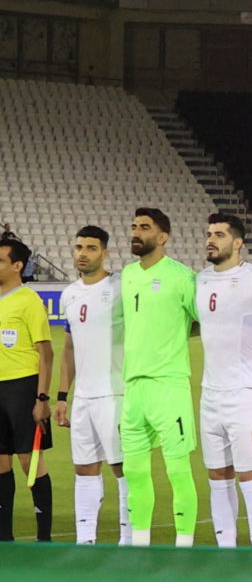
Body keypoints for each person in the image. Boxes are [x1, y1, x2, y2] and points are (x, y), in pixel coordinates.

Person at [195, 214, 252, 547]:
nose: (211, 240)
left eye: (219, 234)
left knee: (249, 474)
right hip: (210, 392)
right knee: (218, 475)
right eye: (208, 234)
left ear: (238, 242)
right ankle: (226, 547)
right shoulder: (200, 280)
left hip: (246, 391)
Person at [120, 207, 199, 546]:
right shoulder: (127, 274)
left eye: (145, 228)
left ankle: (185, 548)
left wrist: (173, 337)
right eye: (134, 226)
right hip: (133, 386)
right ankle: (140, 545)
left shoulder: (182, 276)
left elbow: (201, 319)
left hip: (169, 385)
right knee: (134, 471)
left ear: (163, 237)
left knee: (178, 471)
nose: (136, 232)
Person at [55, 226, 130, 545]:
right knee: (84, 469)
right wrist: (62, 397)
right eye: (78, 247)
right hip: (83, 398)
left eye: (90, 248)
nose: (82, 253)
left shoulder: (121, 287)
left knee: (124, 469)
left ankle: (130, 539)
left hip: (116, 394)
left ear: (105, 253)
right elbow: (69, 349)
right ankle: (86, 540)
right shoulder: (69, 293)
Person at [0, 238, 53, 542]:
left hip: (23, 387)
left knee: (28, 460)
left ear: (17, 266)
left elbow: (46, 354)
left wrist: (42, 397)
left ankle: (43, 537)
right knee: (1, 461)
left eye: (1, 261)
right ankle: (4, 537)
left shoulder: (29, 300)